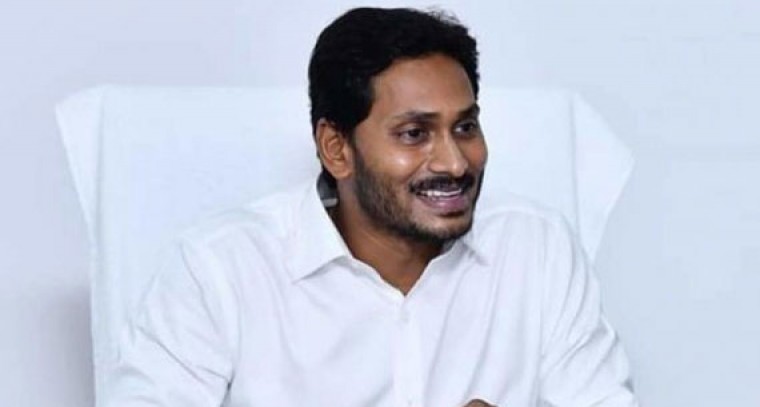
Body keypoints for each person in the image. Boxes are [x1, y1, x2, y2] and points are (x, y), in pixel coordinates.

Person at [104, 7, 639, 407]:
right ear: (337, 148)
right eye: (414, 133)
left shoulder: (537, 248)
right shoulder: (221, 269)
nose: (454, 162)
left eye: (465, 127)